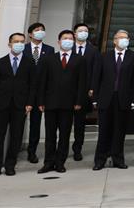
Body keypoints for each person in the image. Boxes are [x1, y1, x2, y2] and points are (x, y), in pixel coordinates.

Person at [34, 30, 88, 173]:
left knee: (64, 135)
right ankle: (48, 162)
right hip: (50, 103)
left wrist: (79, 101)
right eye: (65, 38)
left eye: (70, 38)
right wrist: (40, 101)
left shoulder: (80, 59)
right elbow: (42, 82)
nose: (68, 41)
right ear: (59, 42)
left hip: (69, 104)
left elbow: (82, 83)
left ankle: (60, 162)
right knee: (50, 135)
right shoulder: (48, 59)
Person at [92, 29, 134, 170]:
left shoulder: (133, 57)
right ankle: (100, 160)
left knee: (119, 131)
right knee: (104, 131)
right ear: (114, 40)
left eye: (127, 38)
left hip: (123, 99)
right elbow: (97, 78)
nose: (125, 40)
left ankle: (118, 158)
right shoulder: (104, 56)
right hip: (106, 99)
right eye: (121, 38)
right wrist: (95, 98)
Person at [0, 33, 33, 177]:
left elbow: (32, 85)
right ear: (9, 44)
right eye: (16, 41)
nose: (19, 44)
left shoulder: (29, 62)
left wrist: (29, 103)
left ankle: (10, 165)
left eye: (21, 41)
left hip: (20, 106)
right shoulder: (0, 62)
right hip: (1, 105)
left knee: (16, 136)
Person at [25, 22, 53, 164]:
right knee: (18, 124)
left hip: (40, 93)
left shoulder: (49, 50)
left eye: (42, 30)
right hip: (24, 92)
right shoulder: (23, 49)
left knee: (35, 125)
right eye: (37, 30)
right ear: (30, 34)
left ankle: (32, 152)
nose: (40, 32)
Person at [71, 23, 99, 162]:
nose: (83, 32)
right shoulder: (68, 47)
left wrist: (92, 88)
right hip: (67, 91)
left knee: (80, 123)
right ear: (74, 33)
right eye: (80, 30)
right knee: (63, 122)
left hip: (84, 91)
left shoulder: (93, 50)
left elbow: (95, 71)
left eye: (86, 31)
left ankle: (77, 149)